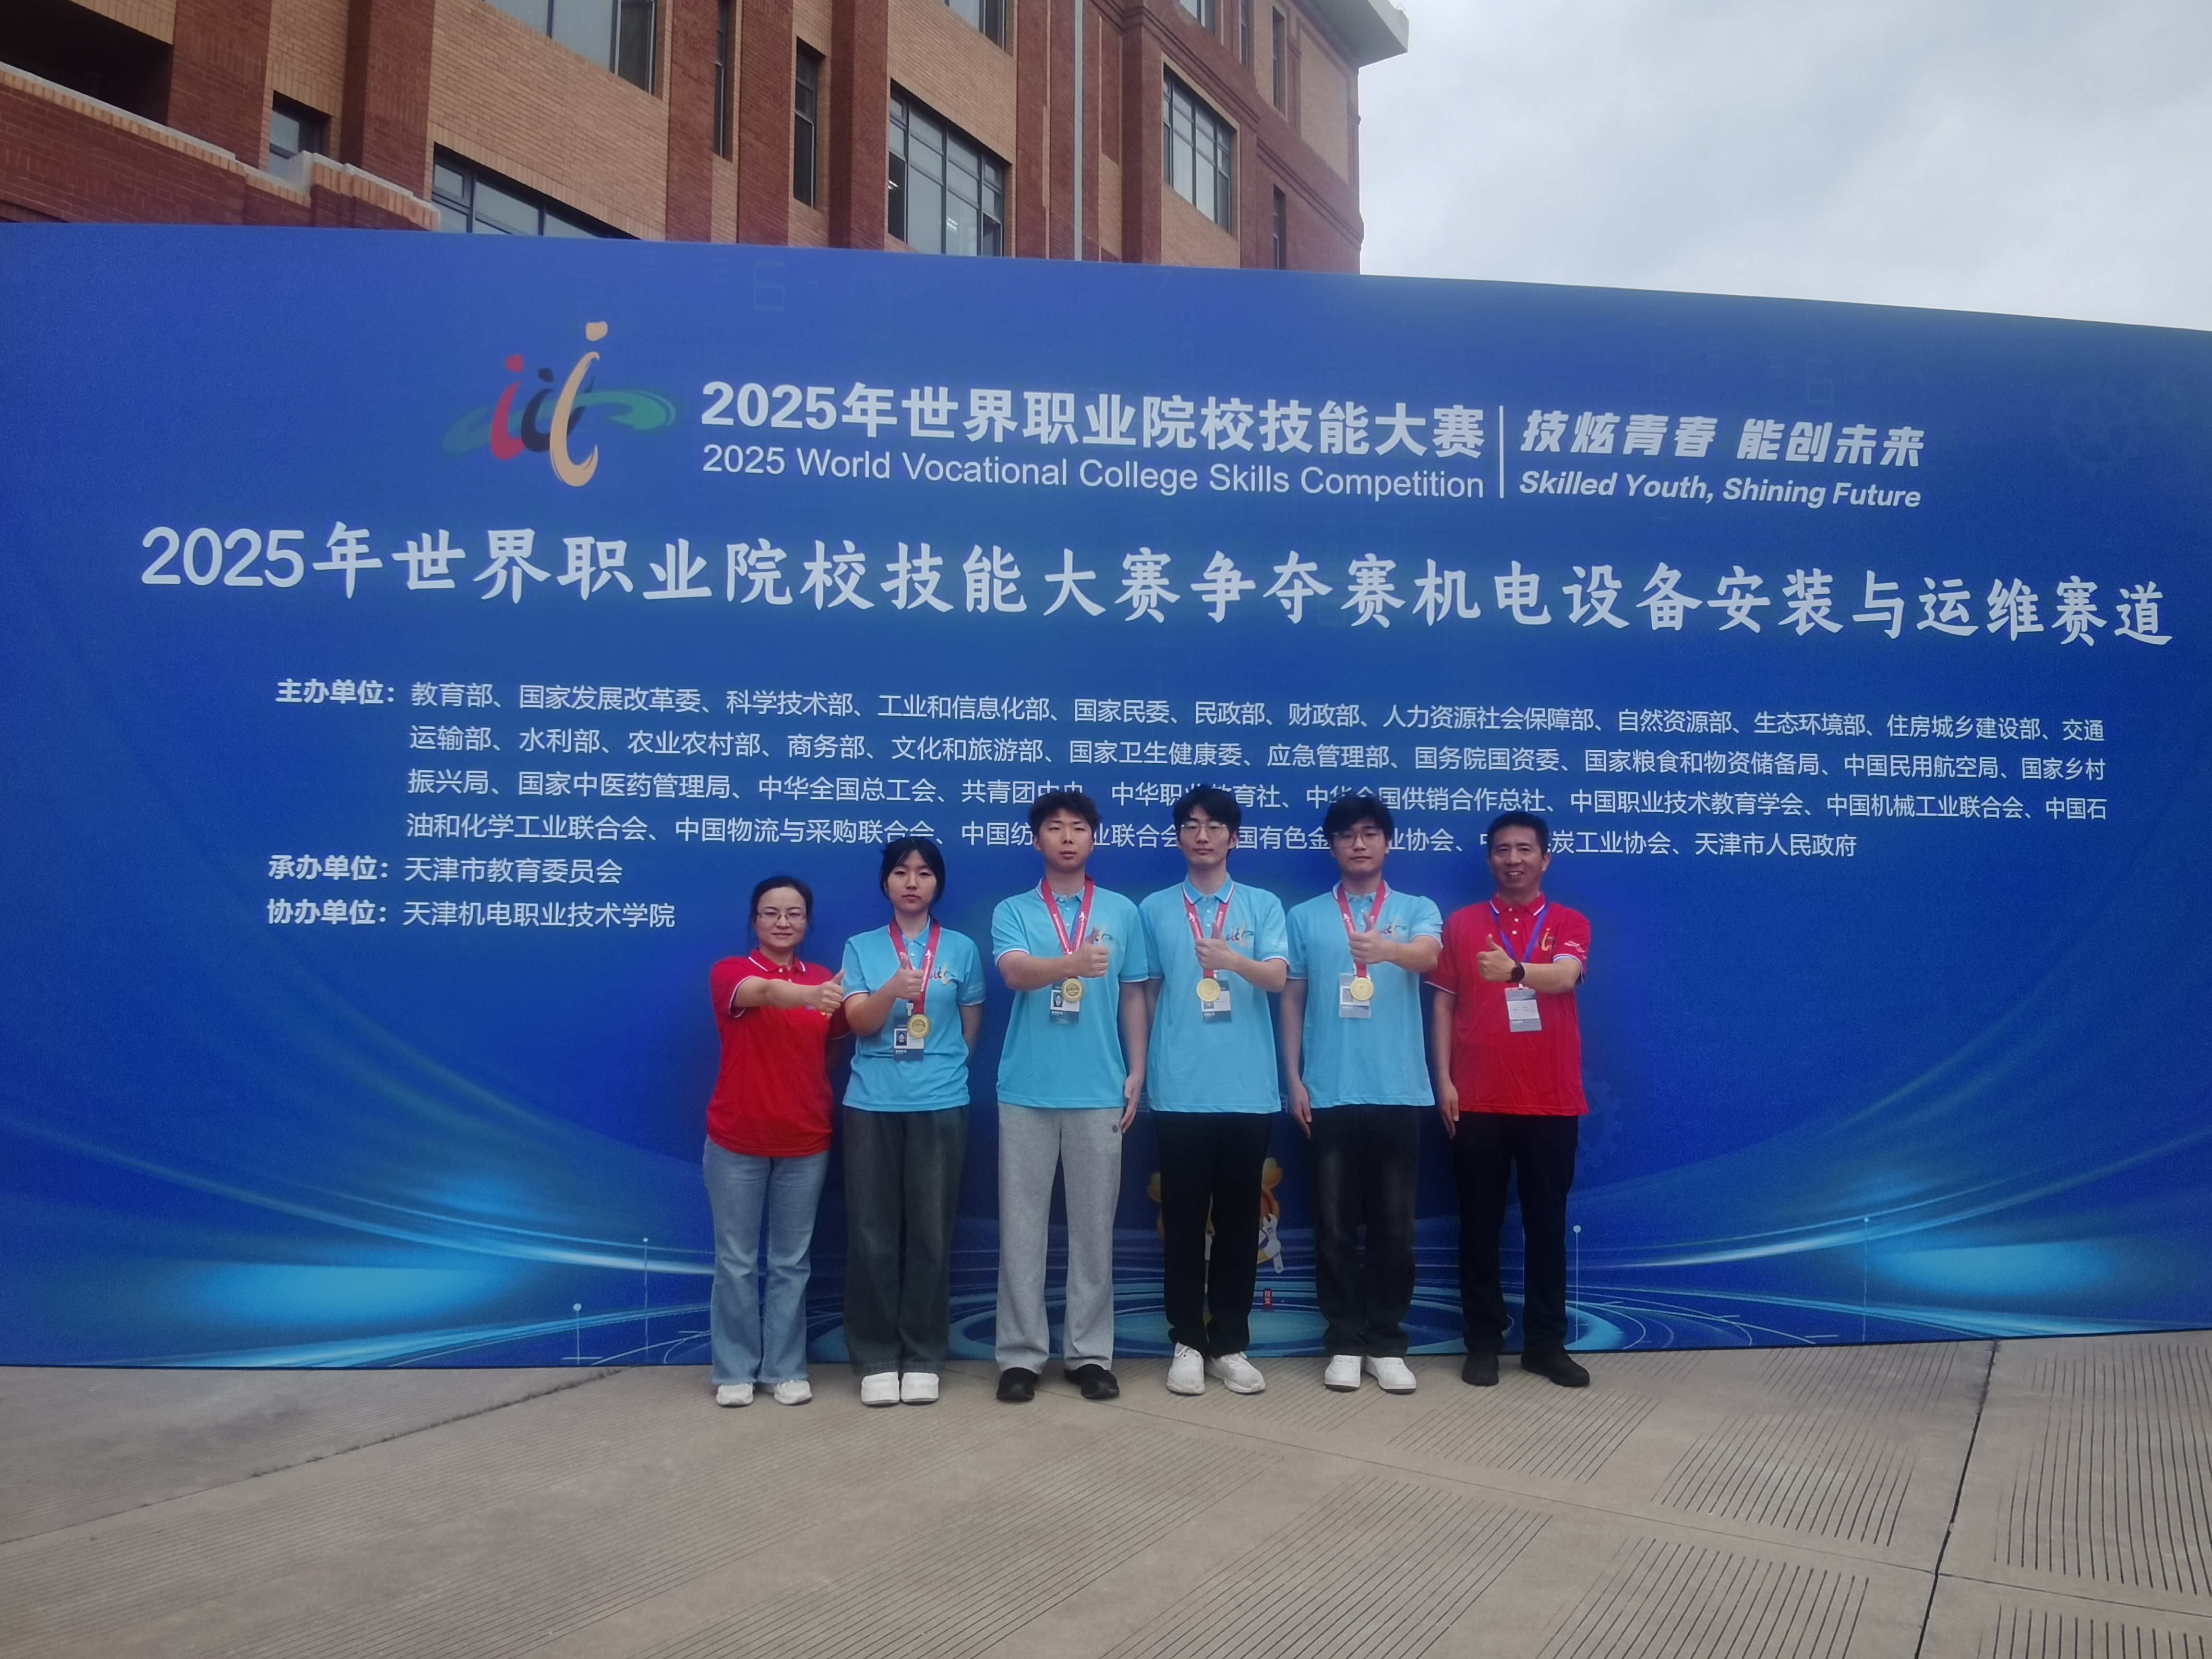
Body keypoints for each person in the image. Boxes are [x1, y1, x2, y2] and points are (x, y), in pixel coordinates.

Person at [989, 790, 1152, 1404]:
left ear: (1093, 839)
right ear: (1036, 840)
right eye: (1054, 828)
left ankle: (1089, 1354)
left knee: (1093, 1230)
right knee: (1022, 1229)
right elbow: (1015, 973)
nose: (1066, 837)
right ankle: (1021, 1356)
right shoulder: (1013, 909)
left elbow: (1134, 993)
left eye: (1078, 828)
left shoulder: (1121, 911)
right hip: (1027, 1090)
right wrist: (1073, 963)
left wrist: (1137, 1070)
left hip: (1099, 1089)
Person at [1280, 792, 1443, 1395]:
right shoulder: (1305, 917)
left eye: (1371, 833)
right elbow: (1292, 997)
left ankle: (1388, 1343)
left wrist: (1387, 950)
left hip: (1398, 1089)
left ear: (1388, 843)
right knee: (1335, 1226)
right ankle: (1345, 1342)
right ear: (1332, 846)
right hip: (1329, 1089)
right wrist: (1293, 1077)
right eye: (1347, 835)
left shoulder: (1416, 908)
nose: (1359, 844)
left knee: (1396, 1227)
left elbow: (1428, 956)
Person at [1428, 812, 1593, 1389]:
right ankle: (1483, 1342)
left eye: (1525, 849)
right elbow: (1443, 1003)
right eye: (1503, 850)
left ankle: (1546, 1344)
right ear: (1490, 859)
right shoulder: (1463, 924)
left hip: (1551, 1099)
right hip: (1477, 1098)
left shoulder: (1569, 921)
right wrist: (1443, 1080)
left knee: (1547, 1226)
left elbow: (1566, 976)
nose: (1514, 859)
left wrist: (1516, 970)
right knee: (1479, 1224)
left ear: (1546, 859)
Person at [1141, 785, 1290, 1397]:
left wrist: (1231, 960)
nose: (1201, 836)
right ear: (1179, 836)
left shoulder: (1263, 905)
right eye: (1190, 825)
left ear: (1234, 837)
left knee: (1237, 1223)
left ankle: (1229, 1342)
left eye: (1214, 826)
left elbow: (1276, 978)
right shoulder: (1155, 908)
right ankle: (1186, 1341)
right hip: (1180, 1088)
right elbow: (1150, 992)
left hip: (1248, 1088)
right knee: (1181, 1221)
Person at [838, 838, 986, 1407]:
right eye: (901, 872)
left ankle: (924, 1355)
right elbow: (858, 1022)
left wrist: (947, 1068)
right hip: (872, 1103)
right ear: (886, 883)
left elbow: (970, 1022)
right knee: (872, 1234)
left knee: (931, 1233)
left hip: (940, 1102)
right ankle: (876, 1356)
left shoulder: (962, 949)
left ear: (937, 884)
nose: (912, 882)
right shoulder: (861, 947)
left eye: (924, 873)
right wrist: (891, 991)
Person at [702, 875, 848, 1407]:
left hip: (806, 1140)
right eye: (771, 913)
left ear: (807, 922)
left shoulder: (824, 980)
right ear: (755, 920)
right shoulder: (732, 972)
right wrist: (810, 996)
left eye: (794, 913)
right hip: (736, 1139)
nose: (783, 922)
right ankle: (734, 1370)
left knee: (791, 1263)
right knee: (737, 1262)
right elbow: (765, 994)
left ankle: (785, 1369)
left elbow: (831, 1050)